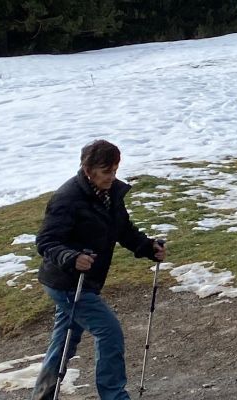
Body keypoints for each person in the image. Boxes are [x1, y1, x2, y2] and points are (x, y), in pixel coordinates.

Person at [32, 139, 166, 400]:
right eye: (107, 172)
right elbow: (46, 242)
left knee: (63, 342)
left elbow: (123, 229)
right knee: (109, 332)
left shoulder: (110, 193)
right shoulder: (67, 199)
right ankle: (114, 396)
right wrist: (72, 258)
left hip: (86, 280)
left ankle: (42, 396)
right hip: (67, 281)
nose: (112, 177)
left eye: (115, 170)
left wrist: (148, 247)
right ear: (87, 169)